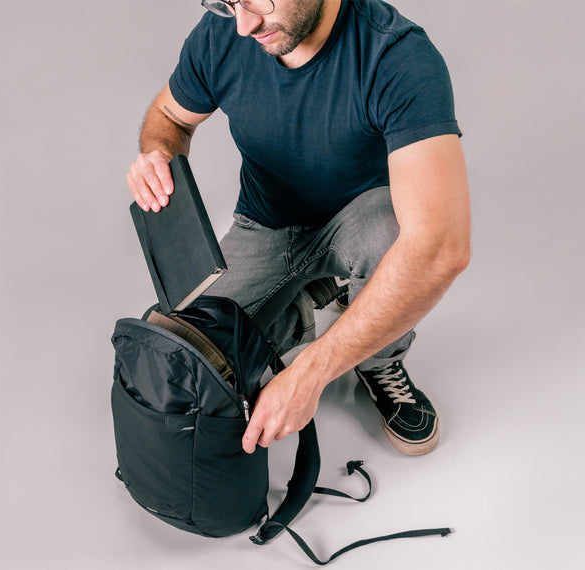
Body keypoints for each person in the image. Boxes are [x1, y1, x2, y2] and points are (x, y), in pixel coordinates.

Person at [125, 0, 470, 457]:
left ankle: (380, 360)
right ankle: (311, 299)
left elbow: (442, 249)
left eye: (256, 1)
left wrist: (311, 372)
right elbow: (169, 117)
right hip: (265, 223)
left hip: (363, 224)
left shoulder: (398, 56)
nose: (244, 24)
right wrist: (159, 155)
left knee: (399, 240)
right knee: (183, 348)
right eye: (228, 3)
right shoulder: (222, 32)